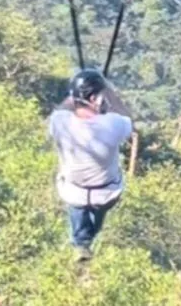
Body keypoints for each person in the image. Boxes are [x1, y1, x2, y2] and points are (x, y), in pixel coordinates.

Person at [48, 68, 134, 262]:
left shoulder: (59, 121)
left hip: (74, 191)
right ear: (96, 98)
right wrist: (109, 91)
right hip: (107, 192)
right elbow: (128, 119)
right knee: (97, 208)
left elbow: (64, 109)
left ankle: (81, 243)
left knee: (78, 206)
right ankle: (88, 238)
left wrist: (75, 97)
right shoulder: (114, 124)